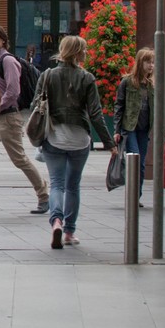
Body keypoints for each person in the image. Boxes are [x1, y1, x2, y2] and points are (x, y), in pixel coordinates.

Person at [39, 34, 117, 249]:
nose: (86, 53)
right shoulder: (87, 78)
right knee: (73, 186)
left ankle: (56, 221)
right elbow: (95, 114)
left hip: (54, 137)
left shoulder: (47, 75)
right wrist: (109, 143)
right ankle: (69, 232)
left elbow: (36, 105)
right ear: (77, 52)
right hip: (79, 140)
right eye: (83, 49)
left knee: (56, 184)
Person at [0, 25, 50, 216]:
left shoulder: (7, 61)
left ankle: (43, 195)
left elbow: (13, 91)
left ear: (3, 40)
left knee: (19, 159)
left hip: (7, 117)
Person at [114, 47, 156, 203]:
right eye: (147, 62)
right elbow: (119, 105)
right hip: (129, 127)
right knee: (135, 159)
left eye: (152, 62)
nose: (150, 65)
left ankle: (136, 196)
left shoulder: (152, 85)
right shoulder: (128, 82)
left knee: (142, 164)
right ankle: (132, 196)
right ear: (140, 62)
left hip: (144, 129)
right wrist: (117, 130)